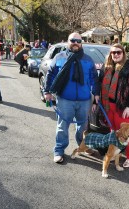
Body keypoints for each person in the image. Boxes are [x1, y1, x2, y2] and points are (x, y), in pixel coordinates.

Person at [44, 32, 100, 163]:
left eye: (78, 41)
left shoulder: (88, 59)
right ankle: (59, 150)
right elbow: (50, 75)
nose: (75, 42)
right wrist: (47, 92)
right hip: (64, 99)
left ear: (81, 43)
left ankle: (83, 146)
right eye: (72, 40)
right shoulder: (59, 57)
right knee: (62, 127)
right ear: (68, 42)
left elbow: (94, 79)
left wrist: (96, 94)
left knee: (83, 127)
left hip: (84, 100)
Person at [98, 43, 129, 168]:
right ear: (110, 54)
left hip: (122, 107)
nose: (115, 54)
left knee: (126, 134)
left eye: (118, 52)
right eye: (113, 52)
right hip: (107, 105)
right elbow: (99, 83)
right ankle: (115, 153)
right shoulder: (107, 67)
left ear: (123, 53)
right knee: (113, 132)